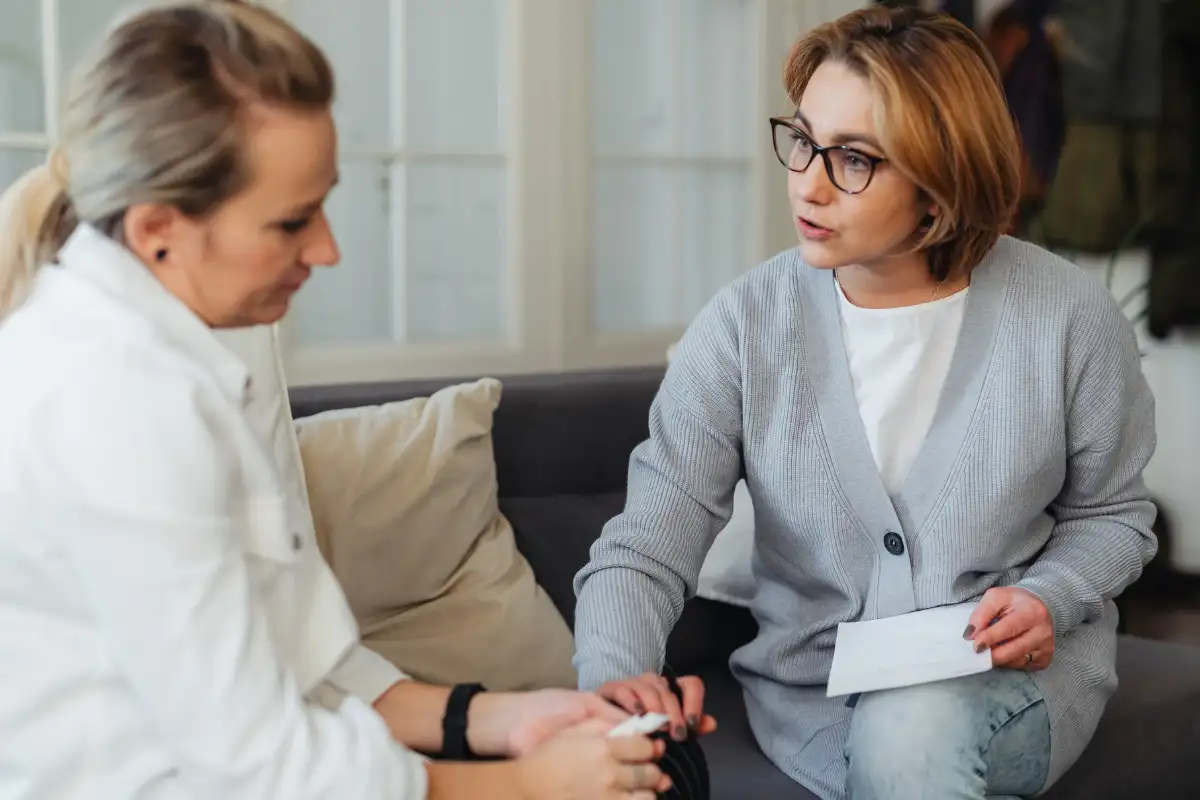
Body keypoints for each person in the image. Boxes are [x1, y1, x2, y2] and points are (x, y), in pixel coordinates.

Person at [0, 2, 671, 798]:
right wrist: (524, 786)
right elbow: (263, 766)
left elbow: (302, 667)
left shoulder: (198, 343)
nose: (326, 249)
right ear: (159, 231)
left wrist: (503, 720)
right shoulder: (116, 405)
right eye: (291, 222)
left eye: (322, 204)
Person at [571, 6, 1157, 800]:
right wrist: (615, 681)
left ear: (941, 178)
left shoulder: (1068, 319)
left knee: (910, 732)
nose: (808, 182)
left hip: (1011, 685)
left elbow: (1113, 516)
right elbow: (647, 545)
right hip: (811, 696)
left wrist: (1049, 597)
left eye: (854, 159)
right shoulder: (745, 327)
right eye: (804, 140)